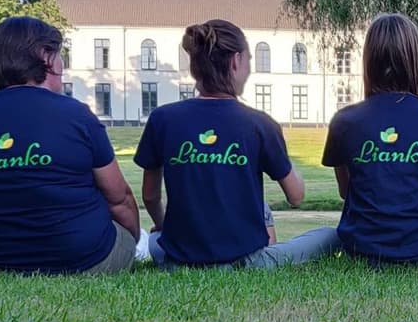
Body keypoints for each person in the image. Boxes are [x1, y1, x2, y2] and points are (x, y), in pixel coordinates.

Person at [133, 19, 337, 269]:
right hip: (247, 262)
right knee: (331, 236)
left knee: (155, 239)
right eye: (249, 60)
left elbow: (150, 195)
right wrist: (278, 151)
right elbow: (296, 196)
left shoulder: (162, 119)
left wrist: (163, 224)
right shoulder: (260, 124)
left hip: (177, 260)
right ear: (236, 61)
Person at [0, 16, 140, 274]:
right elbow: (119, 198)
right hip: (84, 260)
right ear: (45, 58)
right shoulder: (76, 114)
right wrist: (130, 240)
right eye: (59, 55)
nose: (62, 64)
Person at [321, 13, 418, 264]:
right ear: (415, 61)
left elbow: (347, 191)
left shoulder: (343, 122)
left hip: (364, 251)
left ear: (369, 61)